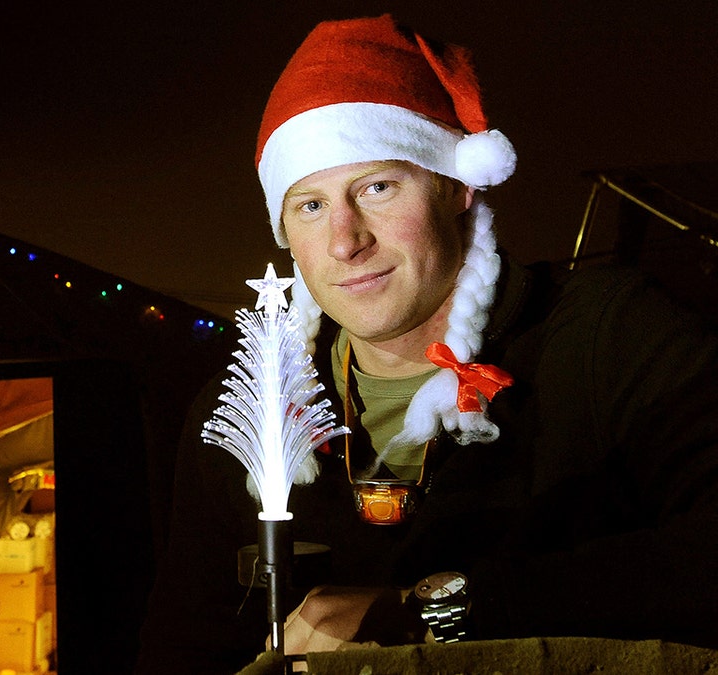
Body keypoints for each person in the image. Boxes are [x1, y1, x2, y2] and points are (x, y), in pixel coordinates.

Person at [135, 14, 718, 674]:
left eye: (377, 187)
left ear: (458, 186)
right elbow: (181, 650)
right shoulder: (242, 416)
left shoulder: (605, 338)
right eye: (311, 205)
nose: (344, 240)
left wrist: (436, 608)